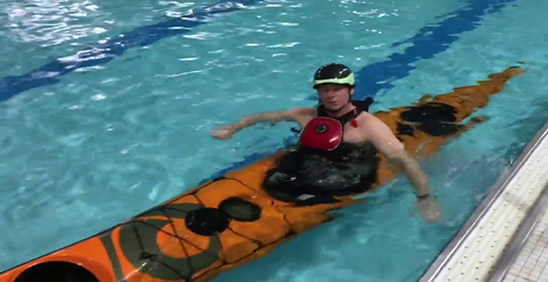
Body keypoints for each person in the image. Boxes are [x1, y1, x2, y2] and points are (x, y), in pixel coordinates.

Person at [210, 63, 441, 223]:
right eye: (324, 90)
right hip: (308, 165)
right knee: (282, 173)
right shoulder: (306, 116)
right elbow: (263, 117)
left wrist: (425, 199)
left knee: (318, 183)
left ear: (351, 91)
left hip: (348, 176)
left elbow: (405, 162)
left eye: (337, 89)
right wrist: (233, 128)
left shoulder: (370, 127)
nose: (330, 95)